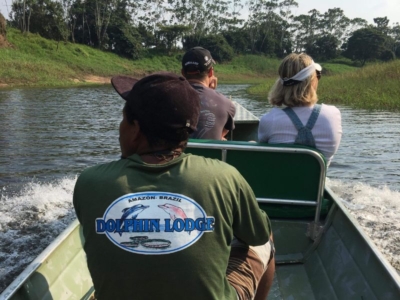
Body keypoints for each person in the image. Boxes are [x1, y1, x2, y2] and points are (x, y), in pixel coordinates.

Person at [73, 72, 275, 300]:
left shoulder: (89, 182)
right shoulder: (225, 177)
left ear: (136, 129)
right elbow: (257, 236)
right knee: (266, 240)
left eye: (123, 120)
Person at [258, 53, 342, 166]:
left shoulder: (269, 120)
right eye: (318, 75)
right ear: (312, 81)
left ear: (281, 85)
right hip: (317, 183)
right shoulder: (333, 115)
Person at [181, 46, 236, 140]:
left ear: (183, 72)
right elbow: (220, 134)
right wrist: (212, 92)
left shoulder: (167, 97)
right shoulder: (227, 104)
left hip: (175, 153)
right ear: (211, 72)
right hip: (210, 154)